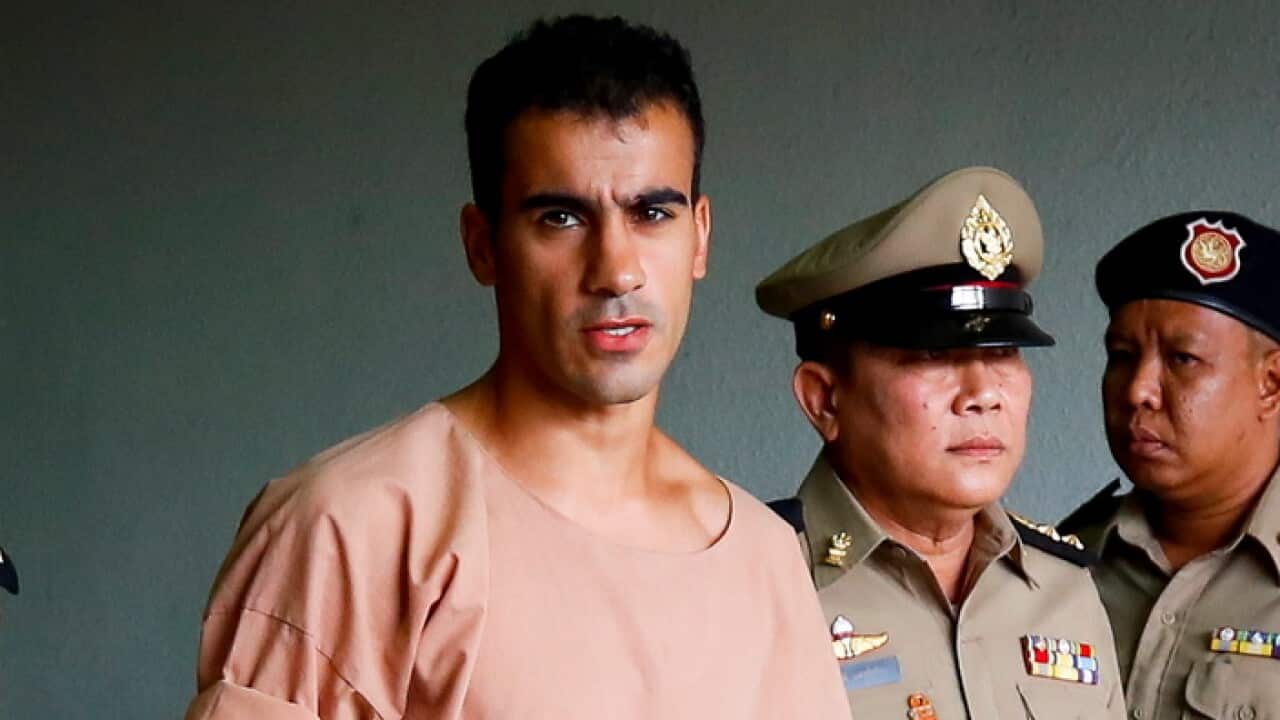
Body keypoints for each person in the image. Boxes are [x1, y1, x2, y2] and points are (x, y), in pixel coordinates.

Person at [184, 15, 846, 719]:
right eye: (560, 218)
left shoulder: (765, 558)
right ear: (483, 246)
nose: (616, 270)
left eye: (652, 213)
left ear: (700, 237)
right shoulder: (351, 528)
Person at [757, 166, 1127, 718]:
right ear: (825, 399)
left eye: (1003, 354)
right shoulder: (752, 583)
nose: (983, 394)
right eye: (933, 357)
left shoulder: (1063, 590)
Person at [1059, 211, 1280, 718]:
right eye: (1121, 355)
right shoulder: (1059, 567)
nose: (1138, 390)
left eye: (1182, 358)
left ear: (1271, 384)